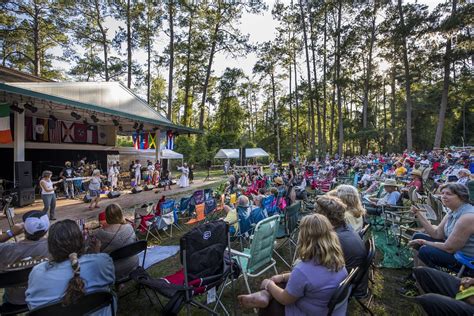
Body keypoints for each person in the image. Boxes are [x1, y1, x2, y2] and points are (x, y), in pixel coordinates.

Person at [238, 214, 348, 315]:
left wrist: (269, 284)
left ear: (304, 238)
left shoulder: (303, 269)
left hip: (311, 312)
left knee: (270, 307)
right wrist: (282, 276)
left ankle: (266, 295)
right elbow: (310, 278)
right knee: (285, 278)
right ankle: (265, 295)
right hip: (328, 308)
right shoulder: (337, 260)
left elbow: (285, 299)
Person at [25, 220, 115, 315]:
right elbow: (110, 282)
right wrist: (97, 255)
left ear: (51, 246)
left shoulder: (37, 272)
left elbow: (32, 304)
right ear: (81, 241)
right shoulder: (103, 261)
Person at [409, 183, 474, 272]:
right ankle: (416, 273)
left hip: (466, 261)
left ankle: (425, 281)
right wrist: (418, 214)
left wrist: (424, 242)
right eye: (442, 193)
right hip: (456, 252)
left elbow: (449, 248)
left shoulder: (468, 217)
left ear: (462, 197)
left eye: (448, 194)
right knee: (417, 236)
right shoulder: (452, 211)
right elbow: (437, 234)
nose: (443, 196)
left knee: (425, 251)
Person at [0, 211, 49, 307]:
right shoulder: (54, 245)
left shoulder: (6, 250)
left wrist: (10, 233)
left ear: (23, 230)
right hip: (44, 295)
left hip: (16, 300)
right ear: (46, 230)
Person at [92, 204, 138, 281]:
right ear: (120, 214)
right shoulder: (129, 227)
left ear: (106, 216)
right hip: (133, 264)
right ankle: (121, 283)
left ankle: (117, 282)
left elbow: (97, 257)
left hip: (112, 271)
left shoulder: (100, 234)